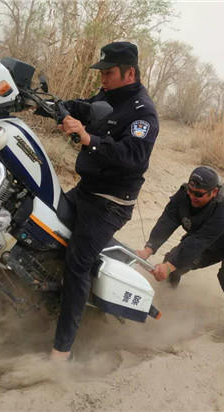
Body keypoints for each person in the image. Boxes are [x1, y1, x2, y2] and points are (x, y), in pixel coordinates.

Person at [50, 41, 159, 361]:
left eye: (109, 72)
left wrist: (87, 138)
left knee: (78, 263)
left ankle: (62, 350)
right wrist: (58, 106)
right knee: (41, 221)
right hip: (86, 190)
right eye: (102, 71)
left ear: (130, 73)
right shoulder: (108, 95)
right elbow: (87, 107)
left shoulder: (143, 112)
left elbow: (133, 157)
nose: (103, 78)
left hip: (110, 203)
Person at [136, 166, 224, 351]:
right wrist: (149, 249)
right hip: (212, 236)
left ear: (214, 192)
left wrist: (169, 267)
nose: (192, 197)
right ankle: (168, 299)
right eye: (190, 191)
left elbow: (199, 241)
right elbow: (168, 219)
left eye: (199, 194)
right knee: (172, 259)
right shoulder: (184, 194)